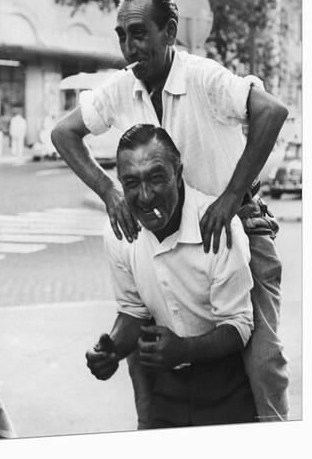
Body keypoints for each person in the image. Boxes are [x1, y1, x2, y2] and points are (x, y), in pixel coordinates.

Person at [52, 0, 289, 421]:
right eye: (121, 36)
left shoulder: (202, 76)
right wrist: (109, 192)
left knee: (261, 366)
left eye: (139, 33)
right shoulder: (122, 87)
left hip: (229, 231)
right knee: (146, 367)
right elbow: (64, 133)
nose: (128, 47)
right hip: (159, 239)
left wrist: (232, 195)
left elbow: (270, 111)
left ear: (171, 32)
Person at [86, 124, 257, 428]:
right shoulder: (119, 235)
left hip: (226, 388)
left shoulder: (219, 226)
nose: (145, 195)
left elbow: (239, 325)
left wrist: (184, 349)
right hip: (165, 388)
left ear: (178, 174)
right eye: (131, 183)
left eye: (156, 178)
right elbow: (133, 312)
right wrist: (112, 350)